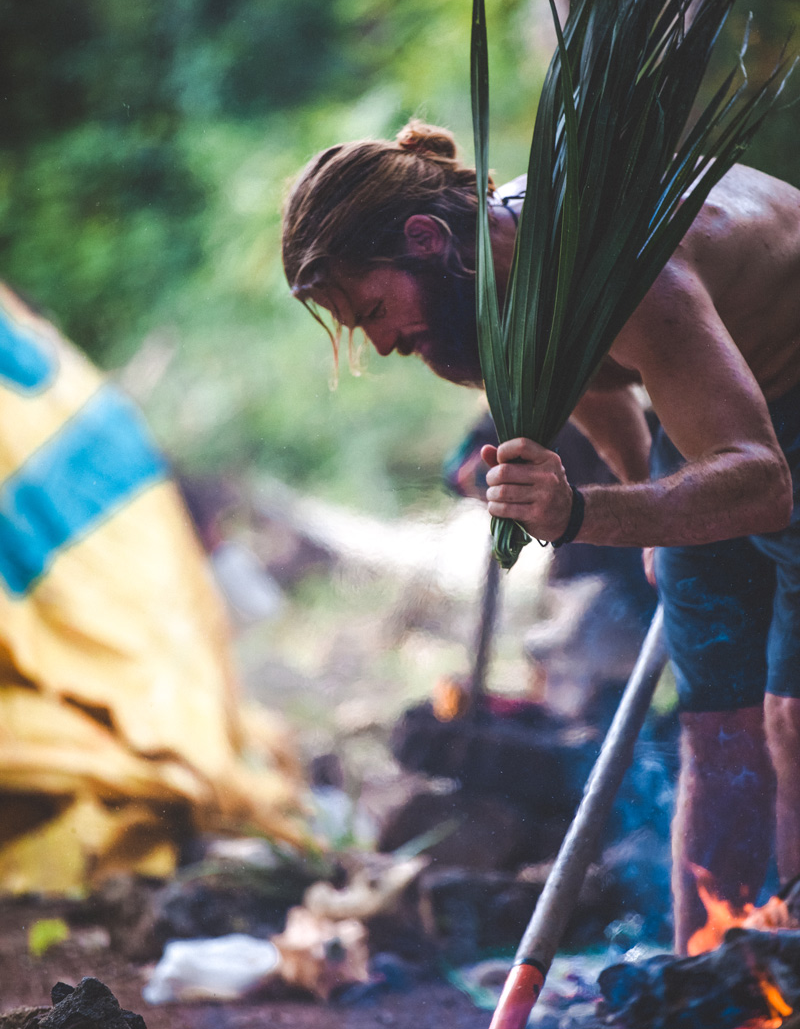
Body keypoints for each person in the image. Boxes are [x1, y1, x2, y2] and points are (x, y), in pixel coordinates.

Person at [282, 118, 800, 951]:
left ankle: (790, 968)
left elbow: (763, 484)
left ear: (424, 238)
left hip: (783, 386)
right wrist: (650, 511)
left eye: (374, 309)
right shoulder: (479, 289)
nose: (380, 343)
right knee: (718, 728)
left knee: (790, 719)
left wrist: (587, 513)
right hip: (708, 394)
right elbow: (591, 381)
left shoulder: (616, 264)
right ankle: (712, 983)